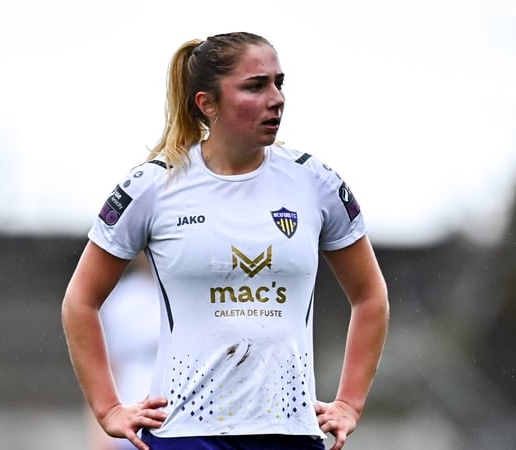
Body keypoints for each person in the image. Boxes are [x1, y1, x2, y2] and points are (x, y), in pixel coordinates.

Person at [61, 31, 389, 450]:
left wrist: (349, 403)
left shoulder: (315, 182)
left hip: (289, 433)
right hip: (185, 433)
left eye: (279, 83)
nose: (276, 98)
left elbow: (370, 296)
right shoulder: (153, 186)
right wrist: (108, 408)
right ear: (207, 103)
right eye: (255, 86)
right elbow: (80, 301)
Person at [88, 257, 160, 450]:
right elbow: (105, 369)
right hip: (128, 429)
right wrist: (99, 437)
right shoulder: (119, 301)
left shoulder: (194, 297)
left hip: (179, 426)